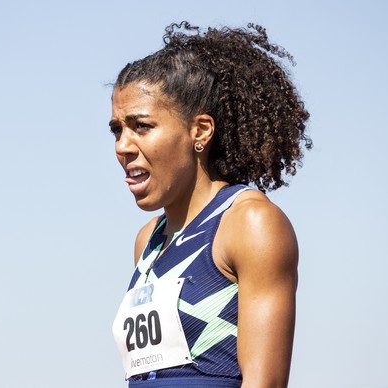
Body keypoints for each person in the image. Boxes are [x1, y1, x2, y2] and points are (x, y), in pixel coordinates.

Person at [111, 22, 311, 388]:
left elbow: (264, 383)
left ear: (200, 130)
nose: (123, 145)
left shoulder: (250, 222)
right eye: (117, 130)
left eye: (141, 126)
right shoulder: (147, 242)